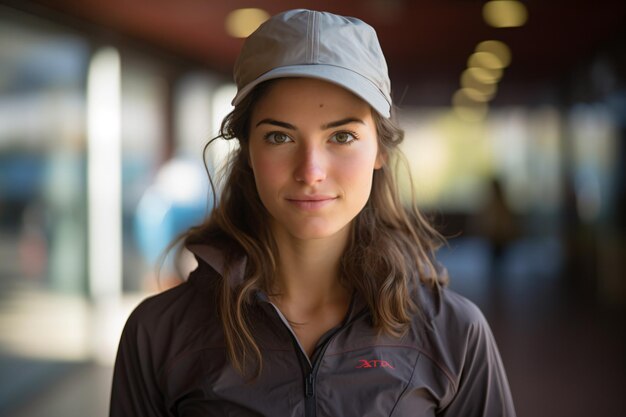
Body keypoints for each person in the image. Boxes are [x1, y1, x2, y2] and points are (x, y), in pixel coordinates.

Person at [110, 9, 516, 416]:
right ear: (248, 152)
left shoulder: (453, 333)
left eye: (342, 136)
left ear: (380, 150)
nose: (310, 171)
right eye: (279, 136)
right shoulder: (159, 334)